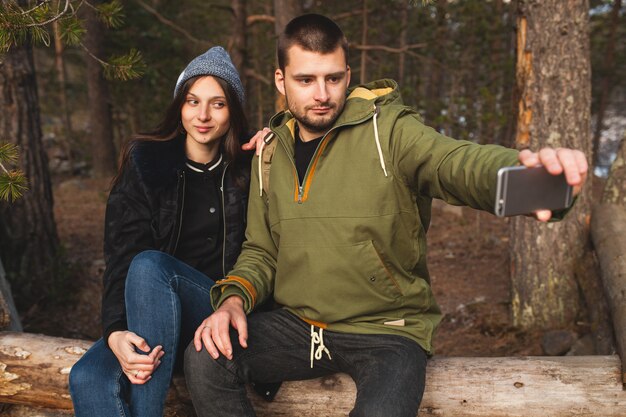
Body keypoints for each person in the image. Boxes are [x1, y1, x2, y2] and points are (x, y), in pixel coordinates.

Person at [184, 14, 588, 417]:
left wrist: (530, 175)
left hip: (386, 332)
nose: (322, 94)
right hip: (300, 327)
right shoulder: (270, 154)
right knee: (206, 356)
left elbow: (453, 162)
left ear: (348, 74)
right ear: (281, 80)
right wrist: (233, 300)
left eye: (333, 78)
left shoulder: (389, 130)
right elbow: (262, 251)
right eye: (305, 80)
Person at [69, 46, 261, 417]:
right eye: (192, 101)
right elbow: (120, 254)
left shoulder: (251, 167)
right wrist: (115, 333)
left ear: (233, 111)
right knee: (87, 377)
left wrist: (274, 139)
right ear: (179, 106)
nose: (202, 115)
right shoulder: (147, 163)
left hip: (219, 307)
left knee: (150, 267)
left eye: (217, 104)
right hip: (152, 315)